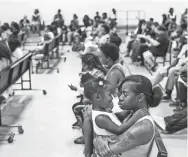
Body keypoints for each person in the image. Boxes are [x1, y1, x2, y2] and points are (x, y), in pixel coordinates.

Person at [93, 75, 163, 157]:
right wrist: (99, 138)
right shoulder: (133, 114)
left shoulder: (143, 127)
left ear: (140, 97)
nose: (120, 98)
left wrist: (96, 140)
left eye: (125, 95)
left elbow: (104, 152)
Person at [83, 77, 148, 157]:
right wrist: (135, 117)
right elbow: (119, 130)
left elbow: (121, 116)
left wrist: (130, 109)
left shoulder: (106, 109)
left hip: (113, 148)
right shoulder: (100, 117)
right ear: (97, 97)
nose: (112, 98)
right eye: (109, 94)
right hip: (110, 151)